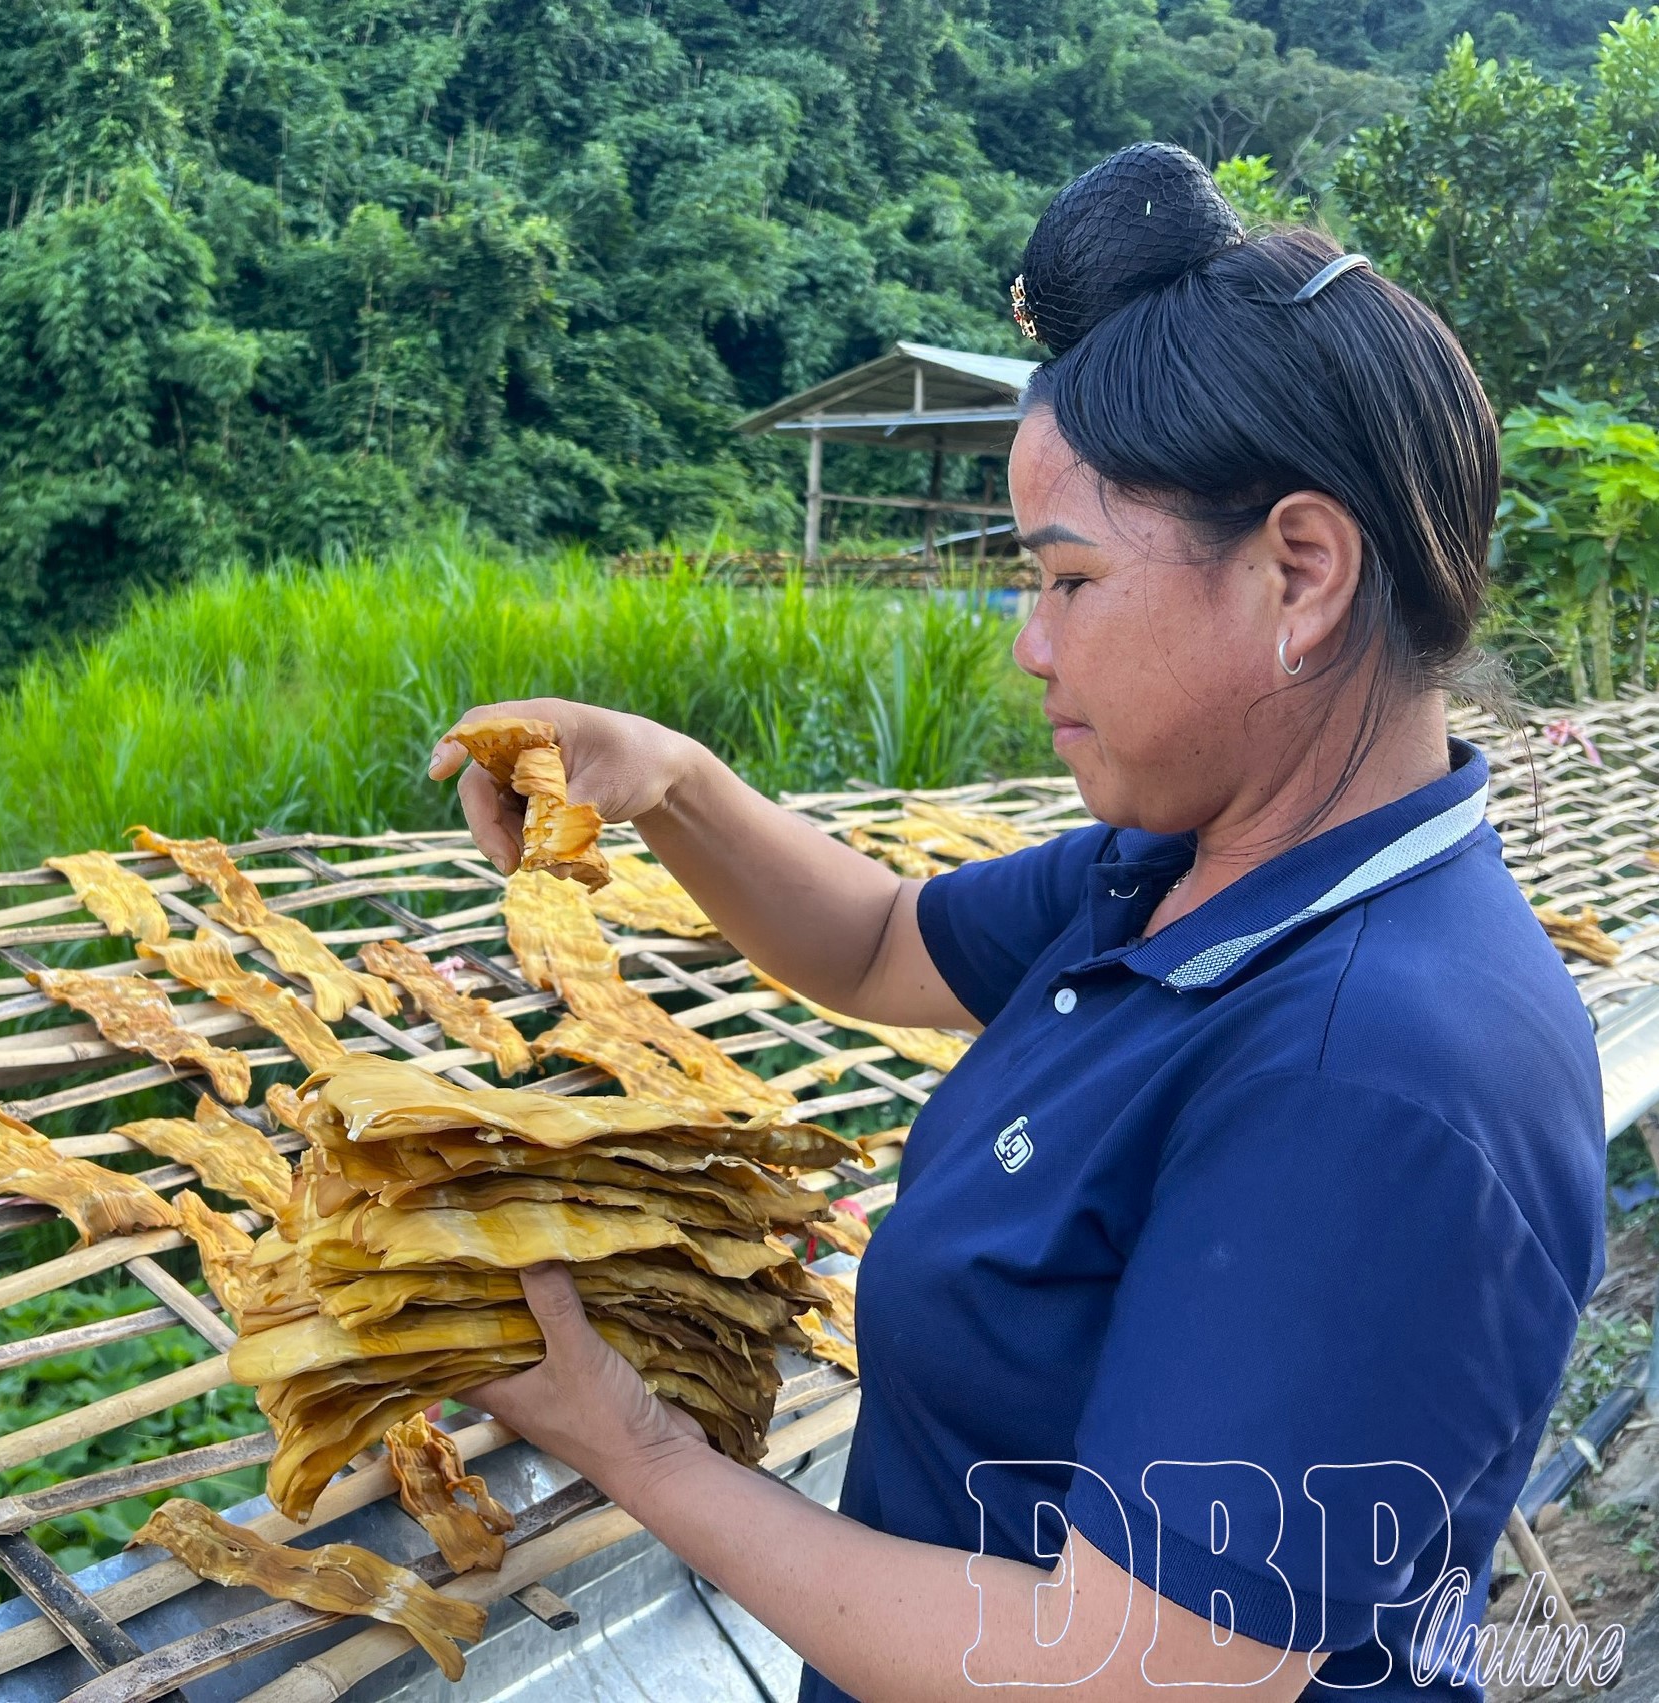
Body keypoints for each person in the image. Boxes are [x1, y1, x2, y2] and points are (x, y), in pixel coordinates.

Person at [427, 144, 1605, 1701]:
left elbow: (1139, 1676)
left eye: (1067, 582)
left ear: (1300, 574)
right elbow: (874, 943)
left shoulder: (1369, 1076)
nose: (1028, 650)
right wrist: (675, 783)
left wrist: (637, 1451)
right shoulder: (1179, 870)